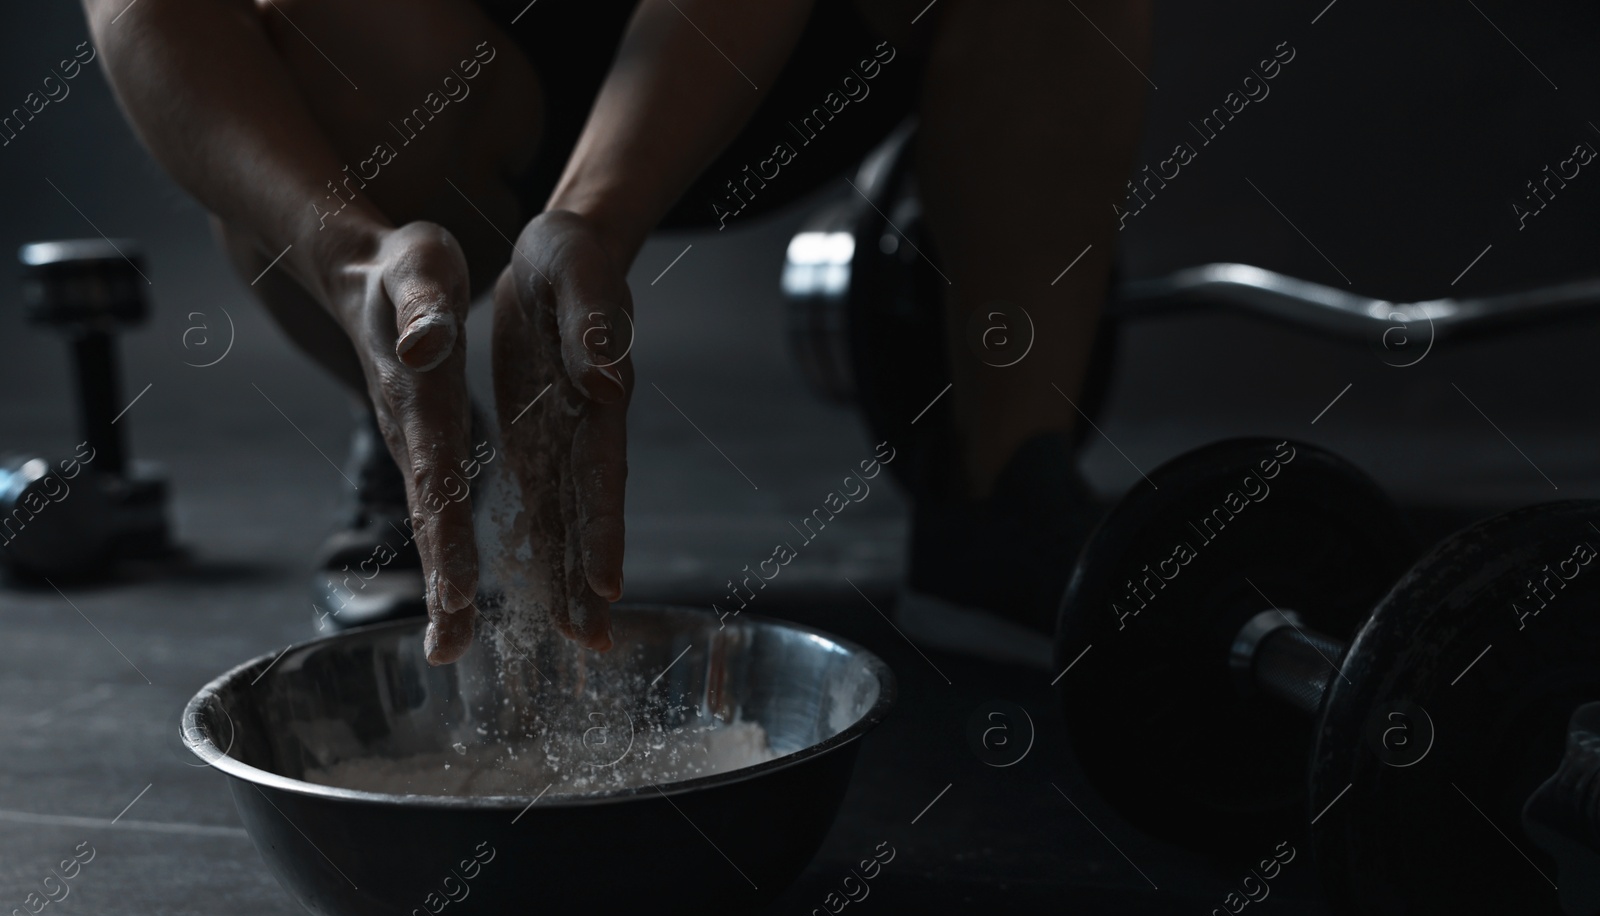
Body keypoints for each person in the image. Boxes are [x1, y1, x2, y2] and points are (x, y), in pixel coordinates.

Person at [85, 0, 1150, 668]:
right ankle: (411, 393)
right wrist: (345, 253)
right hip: (473, 66)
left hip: (783, 46)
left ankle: (1002, 482)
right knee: (301, 44)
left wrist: (595, 217)